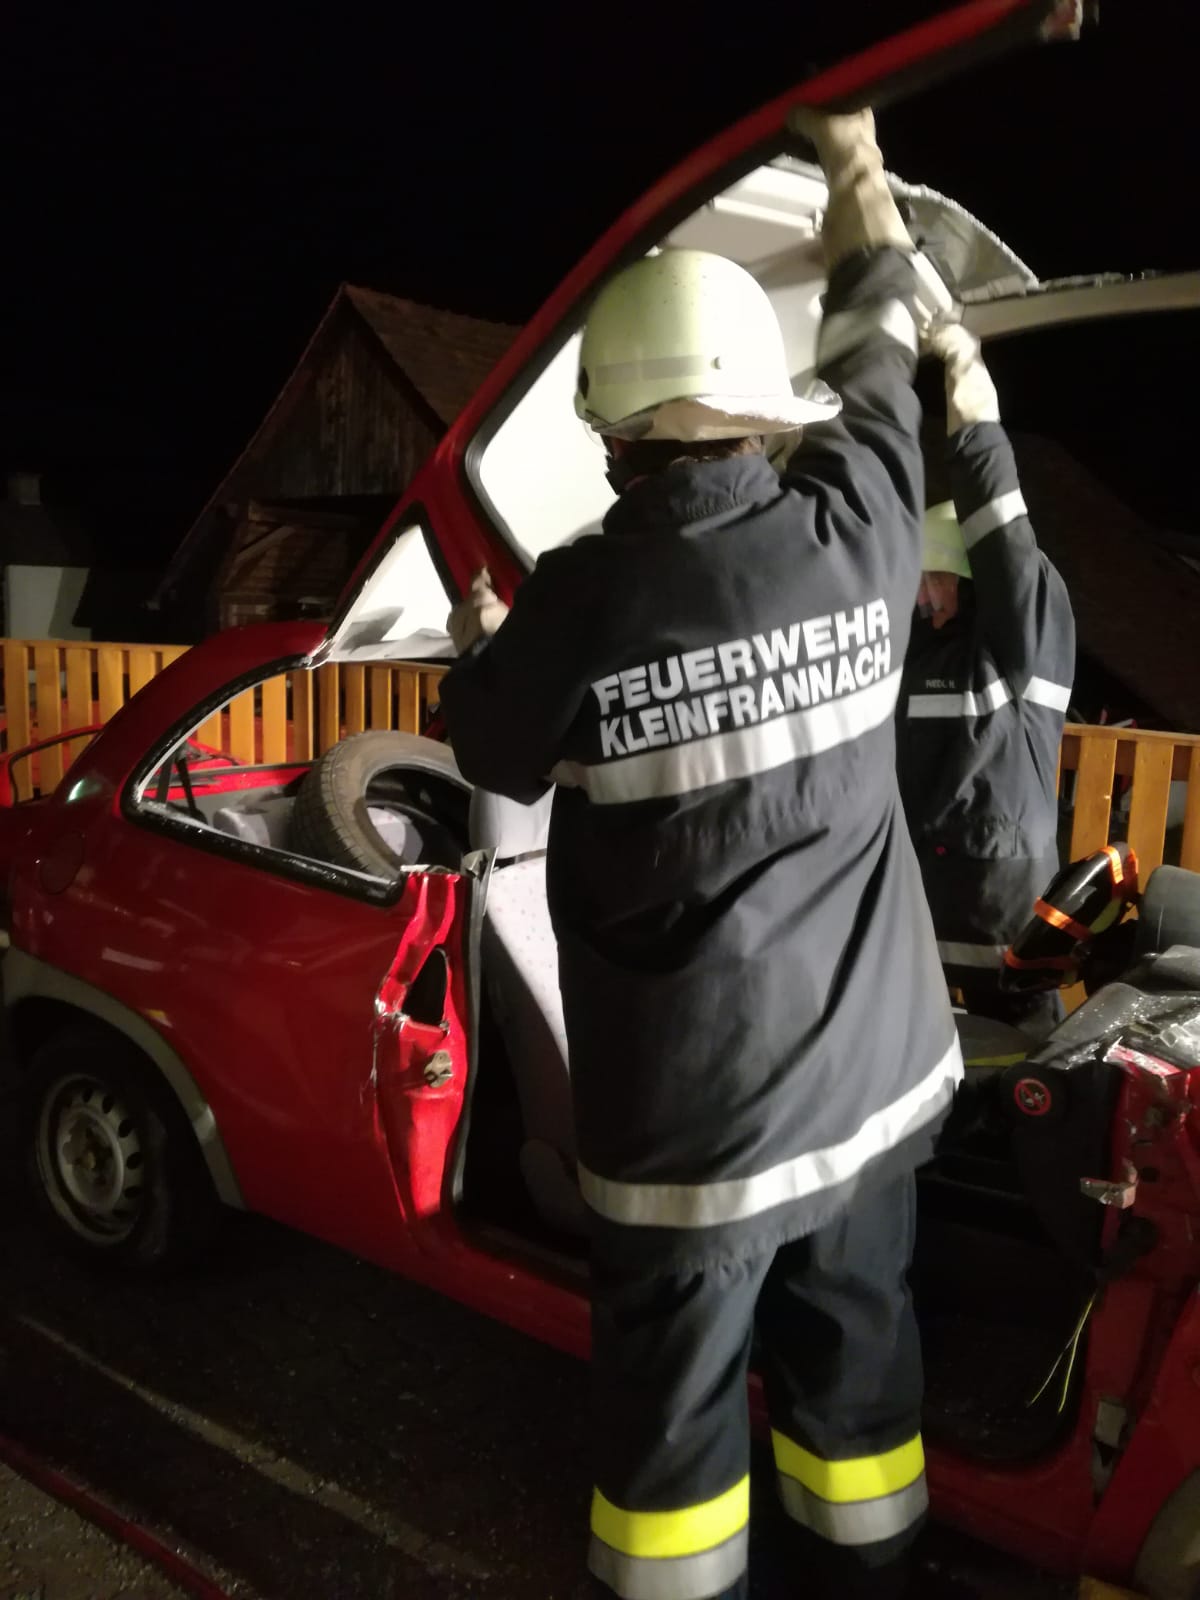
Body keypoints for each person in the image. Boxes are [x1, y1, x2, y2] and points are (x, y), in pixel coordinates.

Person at [439, 108, 961, 1600]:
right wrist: (854, 166)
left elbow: (487, 749)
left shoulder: (581, 606)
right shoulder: (859, 525)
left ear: (612, 435)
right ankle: (874, 1578)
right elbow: (881, 346)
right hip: (866, 1100)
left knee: (673, 1461)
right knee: (857, 1397)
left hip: (691, 1140)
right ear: (758, 404)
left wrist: (483, 637)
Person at [896, 322, 1076, 1034]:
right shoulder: (920, 656)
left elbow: (1003, 537)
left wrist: (968, 403)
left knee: (1029, 1071)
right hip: (919, 925)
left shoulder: (1019, 648)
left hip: (1005, 929)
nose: (922, 597)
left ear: (970, 576)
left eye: (934, 577)